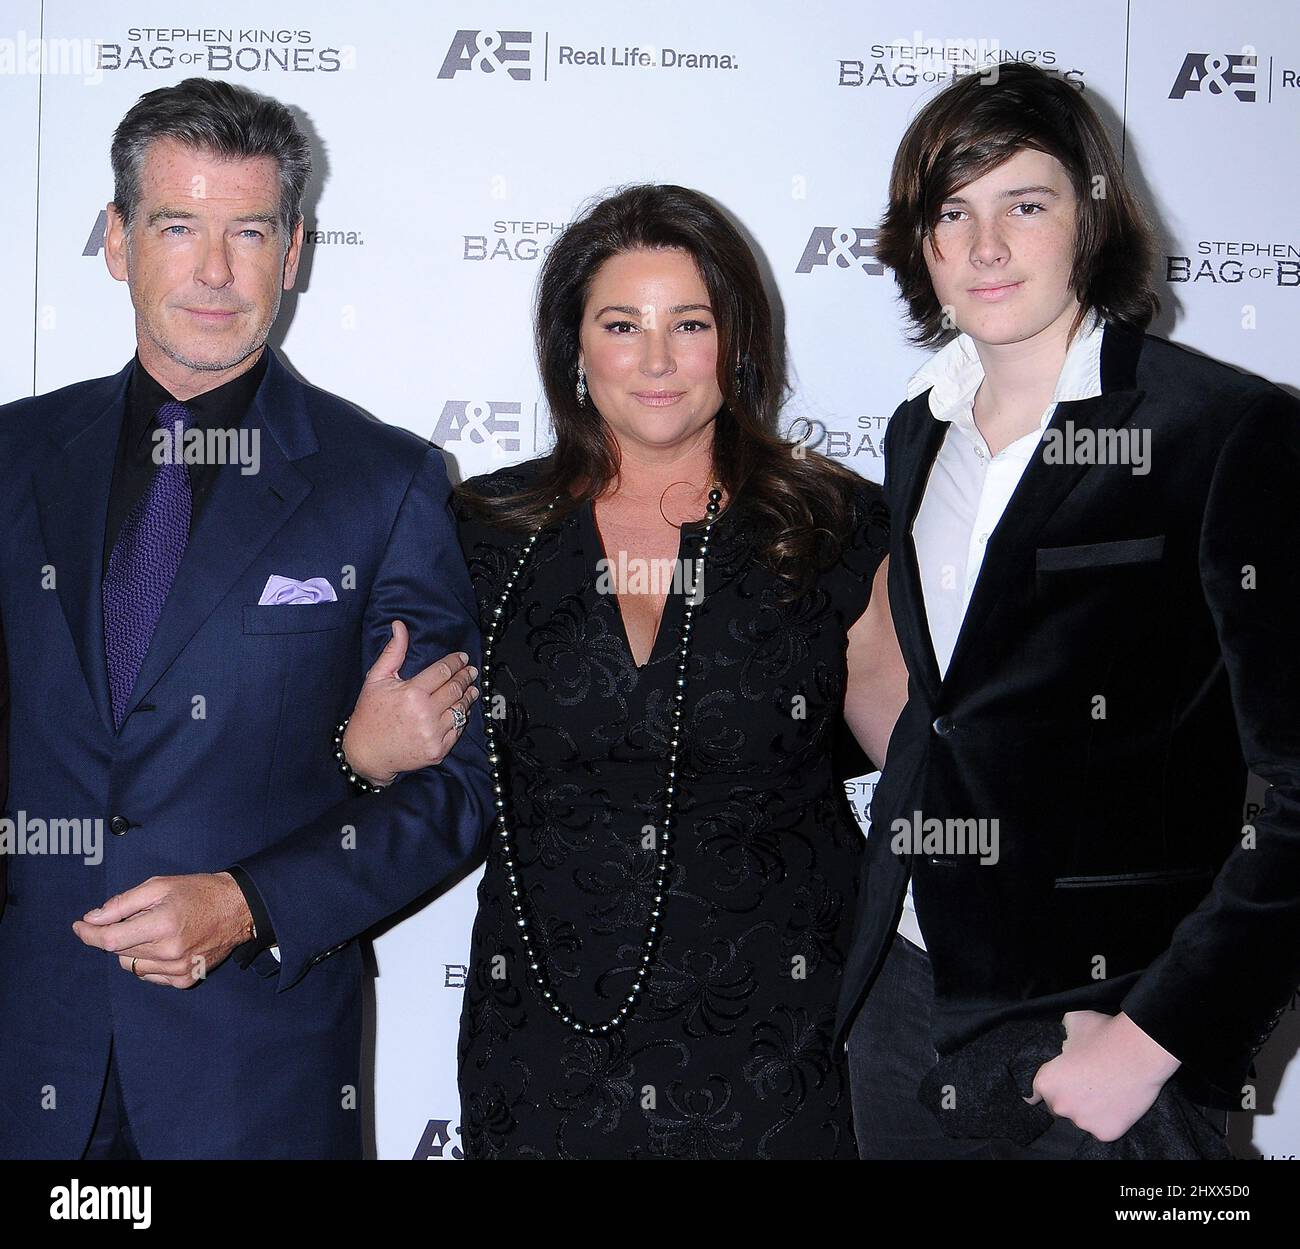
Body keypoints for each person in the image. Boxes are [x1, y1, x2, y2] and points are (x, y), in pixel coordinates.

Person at [340, 183, 908, 1158]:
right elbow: (403, 771)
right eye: (620, 324)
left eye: (689, 322)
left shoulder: (834, 525)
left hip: (784, 1046)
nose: (655, 360)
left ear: (737, 341)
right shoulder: (481, 533)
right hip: (549, 1051)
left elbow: (921, 761)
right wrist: (362, 753)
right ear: (574, 346)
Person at [0, 77, 489, 1160]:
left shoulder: (385, 483)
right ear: (120, 241)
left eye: (249, 232)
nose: (216, 272)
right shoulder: (13, 458)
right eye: (179, 227)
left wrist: (251, 903)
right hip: (29, 1052)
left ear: (296, 251)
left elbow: (460, 787)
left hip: (251, 1072)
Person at [835, 60, 1300, 1159]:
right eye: (951, 212)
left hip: (1106, 1036)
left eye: (1023, 205)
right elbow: (948, 706)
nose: (984, 246)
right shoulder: (920, 429)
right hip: (902, 1005)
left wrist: (1150, 1041)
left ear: (1090, 214)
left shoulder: (1221, 431)